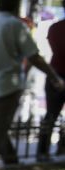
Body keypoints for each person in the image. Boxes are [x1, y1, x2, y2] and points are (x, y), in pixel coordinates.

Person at [0, 0, 64, 167]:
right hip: (8, 84)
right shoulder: (15, 26)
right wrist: (54, 76)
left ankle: (11, 160)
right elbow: (33, 56)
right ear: (15, 6)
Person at [36, 10, 65, 160]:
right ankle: (61, 148)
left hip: (55, 73)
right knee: (52, 115)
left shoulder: (55, 28)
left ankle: (42, 151)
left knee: (51, 114)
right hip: (58, 73)